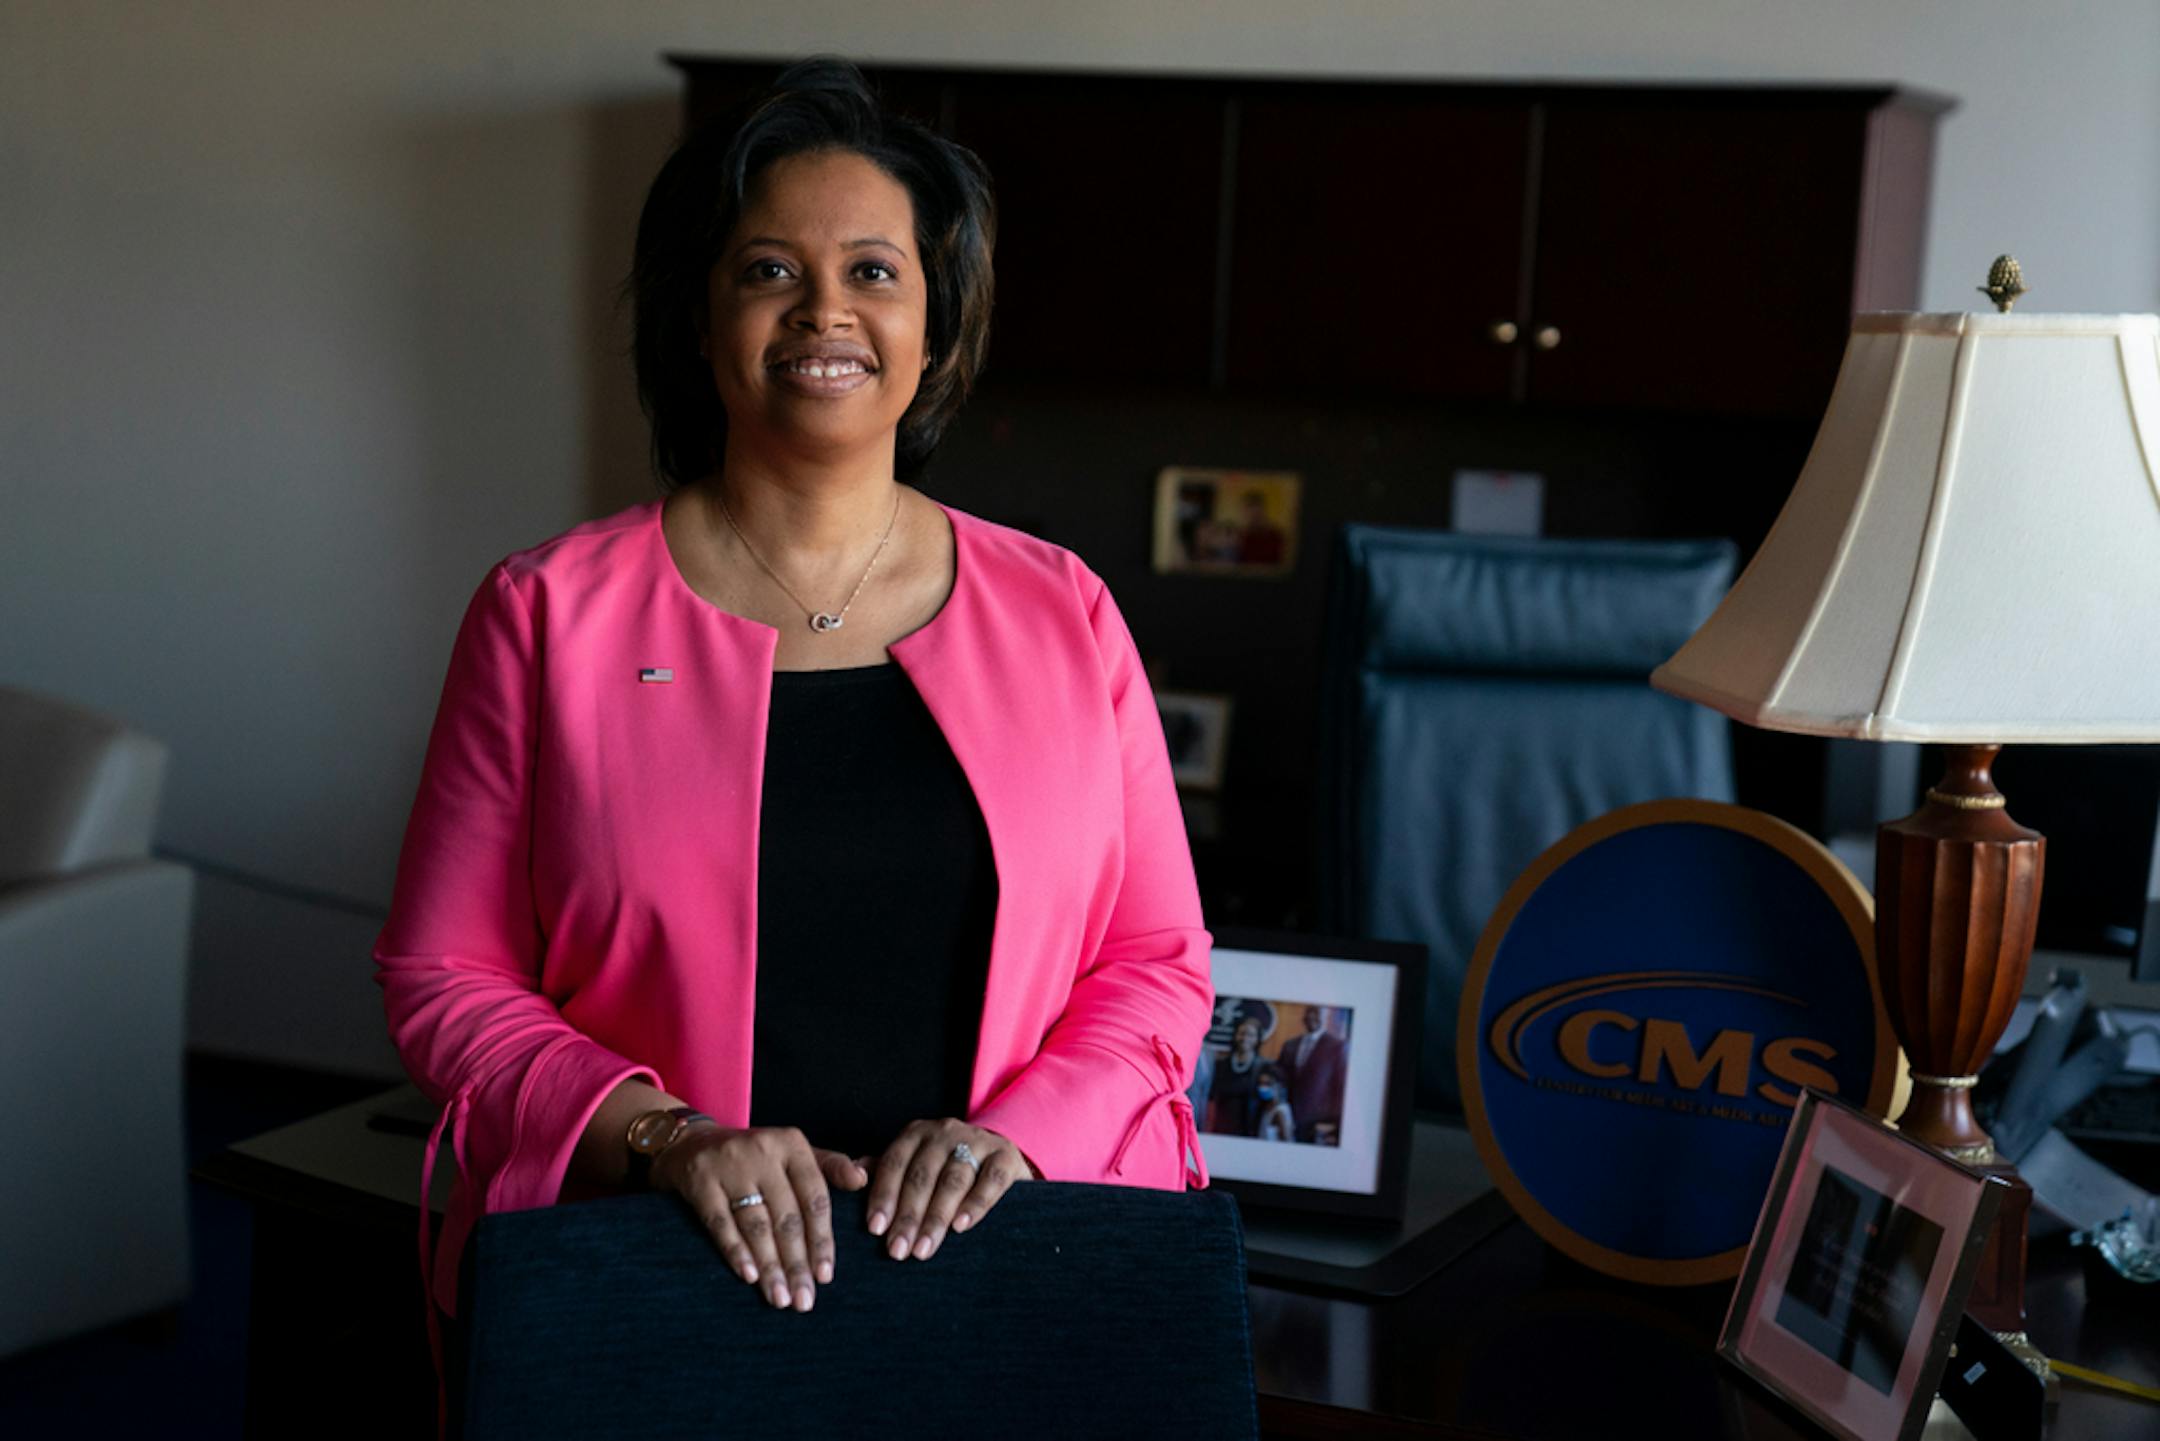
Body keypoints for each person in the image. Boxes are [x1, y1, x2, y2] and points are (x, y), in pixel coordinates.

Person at [373, 59, 1213, 1332]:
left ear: (936, 327)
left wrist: (1023, 1137)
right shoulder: (544, 614)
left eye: (874, 271)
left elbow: (1156, 964)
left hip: (1013, 1262)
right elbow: (448, 976)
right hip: (656, 1271)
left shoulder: (1065, 610)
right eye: (770, 270)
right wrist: (664, 1137)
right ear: (701, 318)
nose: (826, 311)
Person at [1278, 1006, 1347, 1145]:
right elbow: (1279, 1077)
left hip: (1318, 1123)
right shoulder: (1289, 1045)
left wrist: (1334, 1124)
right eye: (1308, 1012)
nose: (1311, 1016)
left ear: (1325, 1016)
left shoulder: (1337, 1046)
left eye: (1316, 1012)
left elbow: (1341, 1088)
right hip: (1286, 1118)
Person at [1207, 1015, 1265, 1137]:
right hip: (1221, 1126)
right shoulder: (1221, 1065)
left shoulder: (1263, 1067)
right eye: (1242, 1033)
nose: (1245, 1038)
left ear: (1257, 1039)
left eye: (1250, 1035)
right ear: (1235, 1035)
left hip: (1250, 1130)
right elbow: (1212, 1097)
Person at [1254, 1064, 1296, 1143]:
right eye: (1261, 1084)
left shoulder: (1280, 1112)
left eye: (1268, 1084)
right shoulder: (1265, 1108)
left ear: (1278, 1085)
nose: (1263, 1087)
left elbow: (1286, 1143)